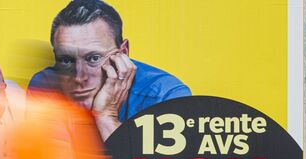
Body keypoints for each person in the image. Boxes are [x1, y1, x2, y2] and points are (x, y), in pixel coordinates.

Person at [28, 0, 191, 142]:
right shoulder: (44, 85)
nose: (79, 77)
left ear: (123, 53)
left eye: (93, 58)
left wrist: (107, 116)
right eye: (66, 60)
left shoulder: (166, 95)